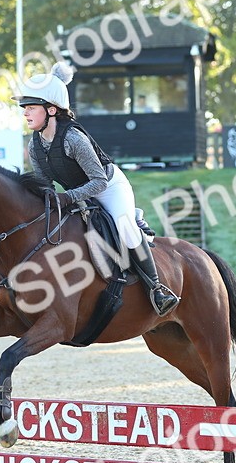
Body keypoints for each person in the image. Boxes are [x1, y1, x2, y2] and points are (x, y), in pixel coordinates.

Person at [13, 62, 180, 316]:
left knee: (125, 229)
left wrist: (68, 197)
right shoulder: (34, 146)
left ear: (51, 110)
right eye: (24, 108)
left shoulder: (73, 138)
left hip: (108, 187)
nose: (26, 113)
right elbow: (45, 185)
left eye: (31, 107)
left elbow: (99, 181)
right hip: (78, 194)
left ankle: (157, 289)